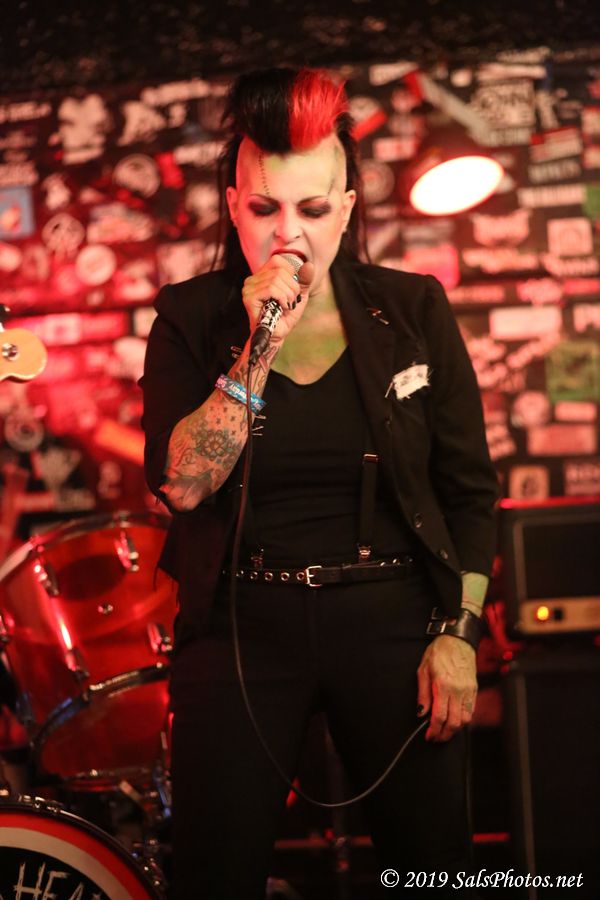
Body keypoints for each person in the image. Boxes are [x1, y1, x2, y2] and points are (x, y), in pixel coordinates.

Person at [140, 67, 498, 899]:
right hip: (240, 623)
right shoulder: (190, 317)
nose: (288, 234)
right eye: (266, 209)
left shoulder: (411, 308)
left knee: (434, 870)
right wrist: (262, 340)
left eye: (311, 209)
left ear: (345, 209)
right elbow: (183, 485)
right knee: (215, 874)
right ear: (235, 207)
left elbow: (470, 492)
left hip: (393, 617)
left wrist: (460, 633)